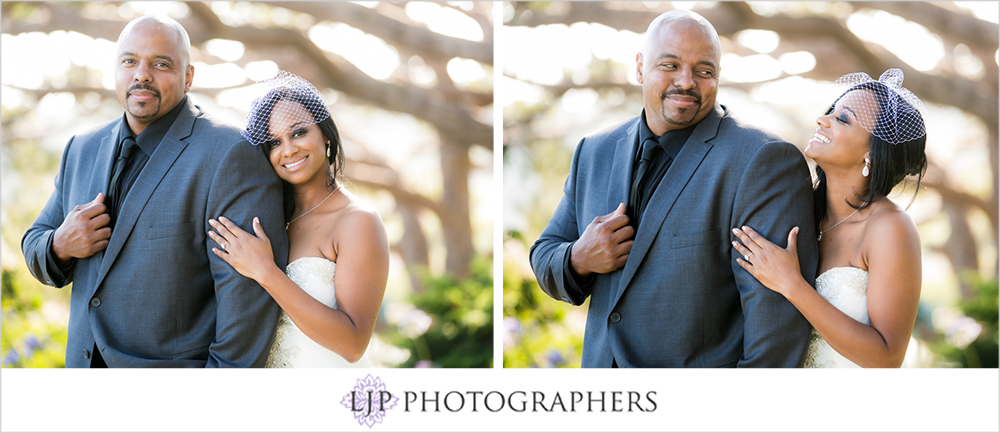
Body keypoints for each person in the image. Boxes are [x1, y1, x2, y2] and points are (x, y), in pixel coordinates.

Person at [529, 10, 819, 368]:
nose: (686, 82)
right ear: (639, 67)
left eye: (704, 70)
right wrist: (578, 259)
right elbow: (544, 253)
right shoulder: (594, 151)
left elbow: (776, 327)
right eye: (670, 64)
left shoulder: (762, 161)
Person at [21, 15, 287, 367]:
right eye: (129, 61)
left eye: (161, 64)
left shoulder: (230, 153)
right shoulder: (81, 149)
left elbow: (248, 297)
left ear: (188, 77)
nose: (142, 74)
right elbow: (34, 240)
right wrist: (60, 245)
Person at [732, 69, 926, 368]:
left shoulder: (890, 228)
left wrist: (792, 284)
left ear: (872, 153)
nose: (822, 120)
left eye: (843, 119)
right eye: (831, 112)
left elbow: (887, 358)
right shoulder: (799, 208)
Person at [207, 71, 389, 368]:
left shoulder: (358, 221)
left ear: (325, 134)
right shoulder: (267, 220)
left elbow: (353, 344)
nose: (288, 149)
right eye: (274, 142)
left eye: (299, 132)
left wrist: (266, 271)